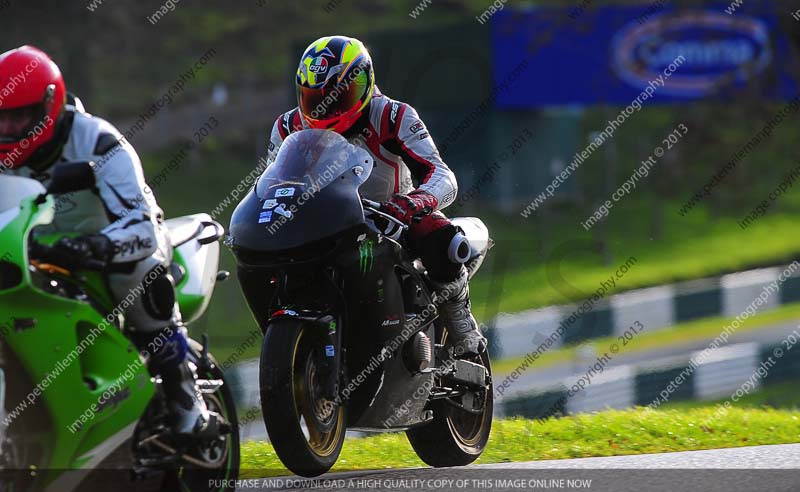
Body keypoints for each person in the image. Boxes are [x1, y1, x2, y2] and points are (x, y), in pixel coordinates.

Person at [0, 45, 221, 438]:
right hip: (31, 251)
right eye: (1, 118)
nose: (8, 129)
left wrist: (95, 247)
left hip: (116, 245)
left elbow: (142, 226)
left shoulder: (99, 143)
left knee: (138, 277)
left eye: (19, 117)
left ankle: (189, 404)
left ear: (49, 105)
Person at [265, 35, 486, 356]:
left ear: (365, 82)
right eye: (315, 98)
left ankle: (460, 317)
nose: (326, 107)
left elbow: (443, 175)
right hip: (319, 224)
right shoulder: (287, 127)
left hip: (391, 220)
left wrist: (413, 202)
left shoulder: (393, 116)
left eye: (339, 96)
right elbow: (268, 184)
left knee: (441, 236)